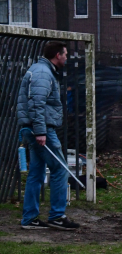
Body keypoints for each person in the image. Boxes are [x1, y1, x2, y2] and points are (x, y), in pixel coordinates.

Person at [16, 41, 79, 230]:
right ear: (58, 55)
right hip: (40, 130)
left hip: (32, 128)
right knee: (60, 169)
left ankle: (30, 218)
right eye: (65, 54)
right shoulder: (44, 73)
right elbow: (36, 103)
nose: (66, 58)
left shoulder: (41, 70)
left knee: (36, 172)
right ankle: (57, 216)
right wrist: (41, 131)